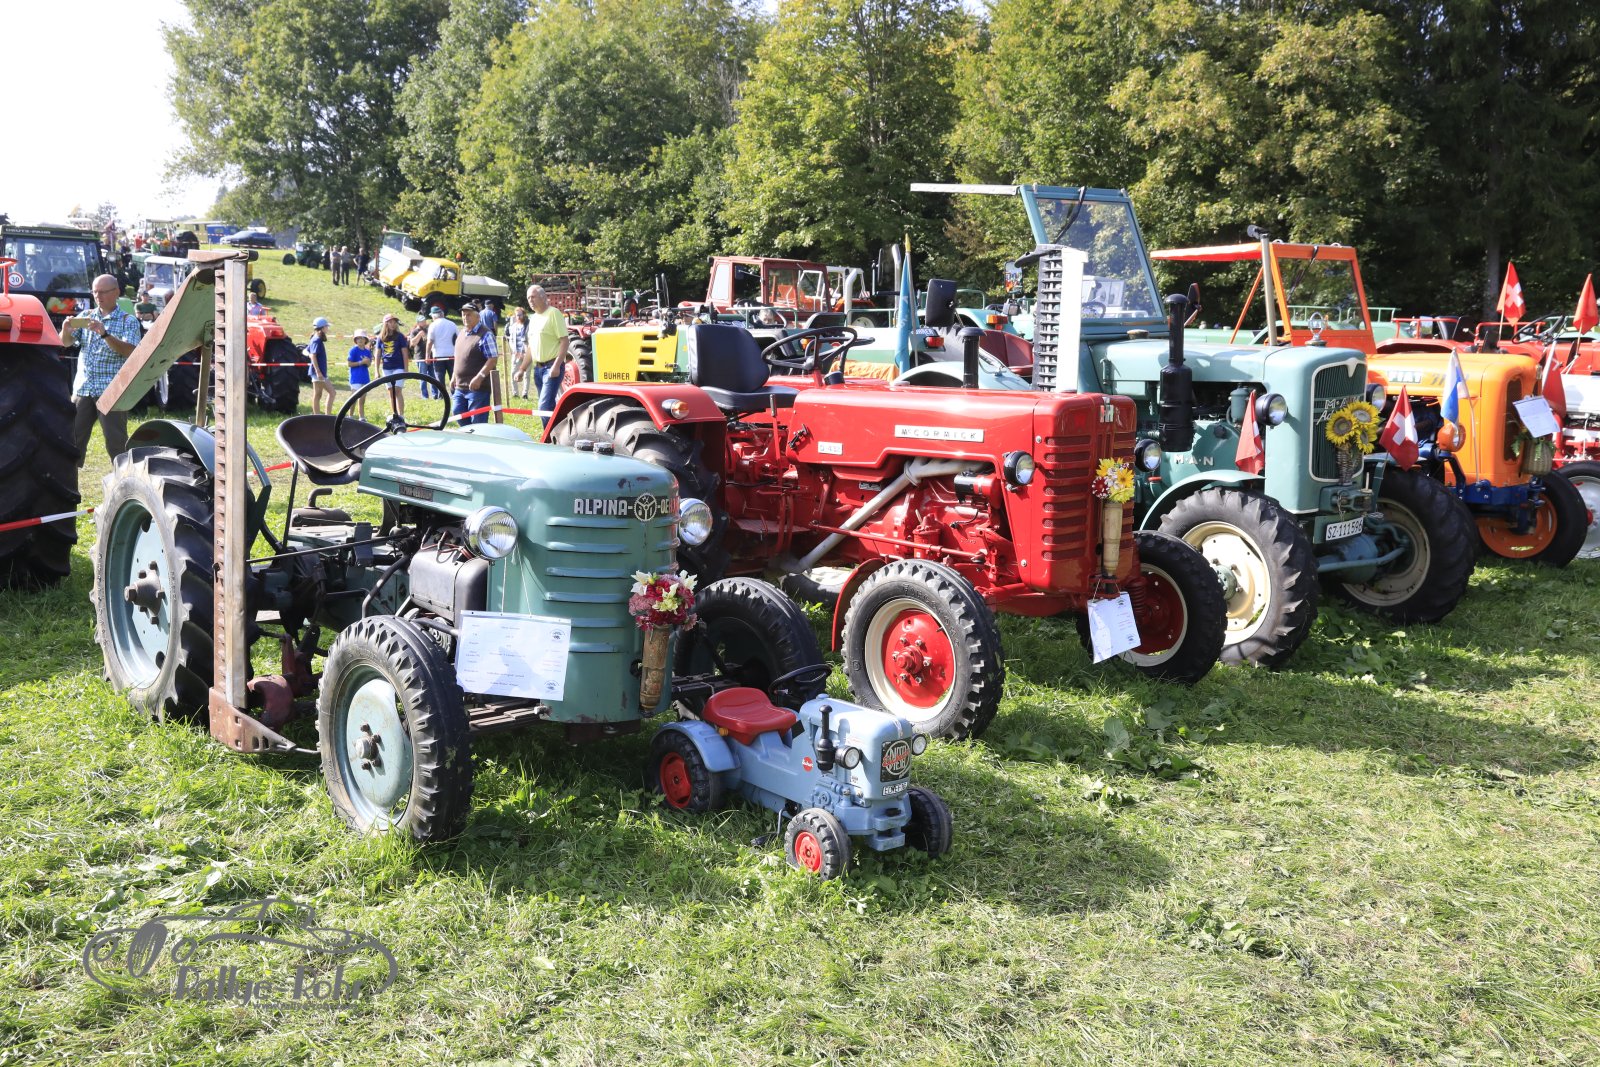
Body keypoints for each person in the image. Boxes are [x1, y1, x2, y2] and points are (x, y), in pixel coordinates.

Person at [64, 274, 141, 467]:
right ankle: (67, 480)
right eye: (95, 292)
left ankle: (123, 480)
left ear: (116, 292)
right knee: (71, 440)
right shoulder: (86, 316)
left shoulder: (128, 321)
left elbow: (130, 351)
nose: (98, 296)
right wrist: (65, 330)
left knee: (117, 444)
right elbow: (65, 343)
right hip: (84, 388)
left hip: (111, 390)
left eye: (103, 292)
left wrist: (105, 334)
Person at [451, 302, 498, 426]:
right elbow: (457, 357)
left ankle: (476, 436)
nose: (465, 317)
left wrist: (479, 377)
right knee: (457, 412)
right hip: (460, 386)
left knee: (478, 422)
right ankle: (469, 435)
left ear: (478, 316)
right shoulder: (461, 333)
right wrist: (453, 376)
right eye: (463, 315)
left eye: (469, 315)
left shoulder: (485, 334)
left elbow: (492, 359)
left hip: (478, 388)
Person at [526, 284, 570, 417]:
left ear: (543, 297)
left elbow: (564, 341)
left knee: (544, 407)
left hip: (551, 367)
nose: (530, 300)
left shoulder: (553, 313)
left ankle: (551, 431)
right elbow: (531, 347)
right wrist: (522, 369)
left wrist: (556, 365)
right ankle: (558, 427)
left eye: (533, 297)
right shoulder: (533, 318)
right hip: (538, 369)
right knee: (546, 408)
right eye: (528, 298)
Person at [373, 313, 410, 417]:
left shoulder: (400, 336)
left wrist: (406, 369)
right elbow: (378, 354)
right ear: (386, 324)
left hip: (399, 366)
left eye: (394, 322)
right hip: (386, 368)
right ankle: (395, 414)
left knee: (397, 390)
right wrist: (376, 371)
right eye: (390, 322)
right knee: (391, 392)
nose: (393, 324)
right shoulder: (380, 338)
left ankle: (401, 415)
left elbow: (405, 353)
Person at [306, 317, 336, 415]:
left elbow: (306, 351)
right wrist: (318, 371)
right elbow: (313, 355)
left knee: (318, 395)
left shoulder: (315, 338)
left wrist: (310, 355)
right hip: (318, 373)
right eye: (327, 326)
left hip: (319, 372)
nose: (328, 328)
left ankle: (318, 416)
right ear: (322, 328)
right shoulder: (316, 340)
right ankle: (326, 416)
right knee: (332, 393)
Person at [347, 328, 373, 420]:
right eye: (358, 338)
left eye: (362, 338)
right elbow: (349, 364)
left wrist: (367, 362)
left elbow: (369, 364)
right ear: (355, 340)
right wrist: (361, 362)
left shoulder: (367, 351)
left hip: (364, 377)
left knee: (362, 399)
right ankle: (350, 416)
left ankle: (361, 417)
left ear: (365, 340)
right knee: (353, 398)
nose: (360, 340)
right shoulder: (353, 350)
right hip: (355, 378)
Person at [409, 313, 436, 398]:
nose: (424, 323)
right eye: (422, 322)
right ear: (418, 323)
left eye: (424, 321)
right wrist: (419, 334)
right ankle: (425, 396)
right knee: (423, 377)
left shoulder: (429, 329)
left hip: (431, 356)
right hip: (420, 357)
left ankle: (435, 394)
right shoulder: (414, 332)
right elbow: (412, 344)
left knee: (433, 376)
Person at [507, 306, 531, 398]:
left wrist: (526, 353)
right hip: (516, 354)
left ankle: (525, 394)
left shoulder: (529, 326)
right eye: (517, 315)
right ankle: (515, 393)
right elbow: (511, 340)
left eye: (520, 315)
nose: (519, 317)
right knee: (513, 373)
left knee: (526, 375)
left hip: (527, 354)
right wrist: (515, 351)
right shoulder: (513, 327)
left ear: (524, 314)